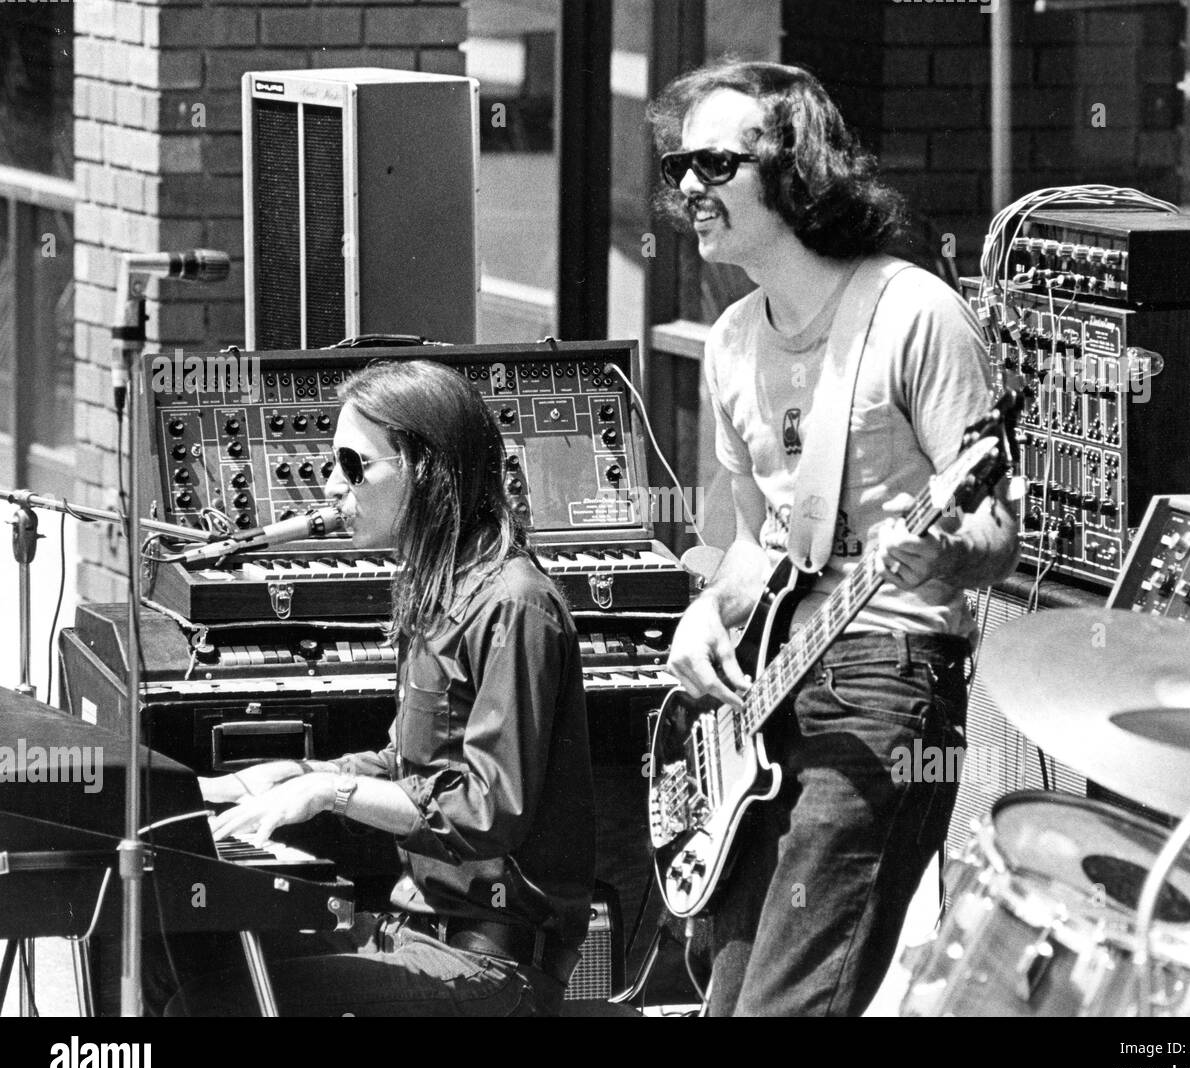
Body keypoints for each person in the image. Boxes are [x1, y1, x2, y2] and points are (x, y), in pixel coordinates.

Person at [651, 61, 1020, 1016]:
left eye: (717, 162)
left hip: (886, 677)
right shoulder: (732, 340)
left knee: (790, 1004)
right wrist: (706, 612)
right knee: (725, 1000)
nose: (689, 185)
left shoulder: (913, 314)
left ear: (796, 169)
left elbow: (995, 528)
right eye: (679, 163)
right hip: (770, 680)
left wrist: (942, 551)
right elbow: (754, 542)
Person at [170, 359, 595, 1016]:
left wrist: (329, 793)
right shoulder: (435, 587)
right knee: (187, 958)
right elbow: (406, 769)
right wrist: (275, 779)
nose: (334, 485)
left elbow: (486, 812)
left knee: (220, 1003)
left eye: (354, 464)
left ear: (425, 470)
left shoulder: (514, 605)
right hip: (413, 932)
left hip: (492, 963)